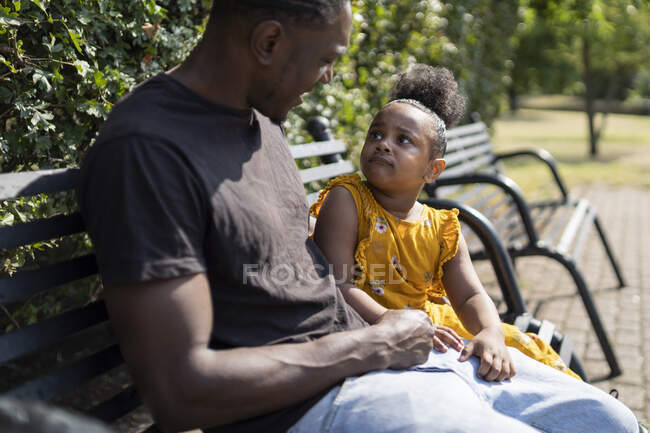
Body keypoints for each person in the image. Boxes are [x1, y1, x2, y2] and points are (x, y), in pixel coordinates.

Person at [77, 1, 640, 432]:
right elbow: (181, 392)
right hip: (317, 399)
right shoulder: (148, 150)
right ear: (269, 41)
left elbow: (310, 278)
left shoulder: (261, 125)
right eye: (324, 59)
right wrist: (376, 344)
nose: (327, 79)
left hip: (394, 362)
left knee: (607, 421)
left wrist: (399, 339)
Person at [310, 64, 580, 382]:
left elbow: (469, 297)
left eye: (403, 140)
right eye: (377, 134)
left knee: (522, 348)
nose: (384, 144)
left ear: (432, 170)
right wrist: (387, 318)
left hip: (432, 324)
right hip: (371, 329)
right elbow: (338, 283)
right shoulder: (347, 200)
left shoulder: (440, 228)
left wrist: (490, 331)